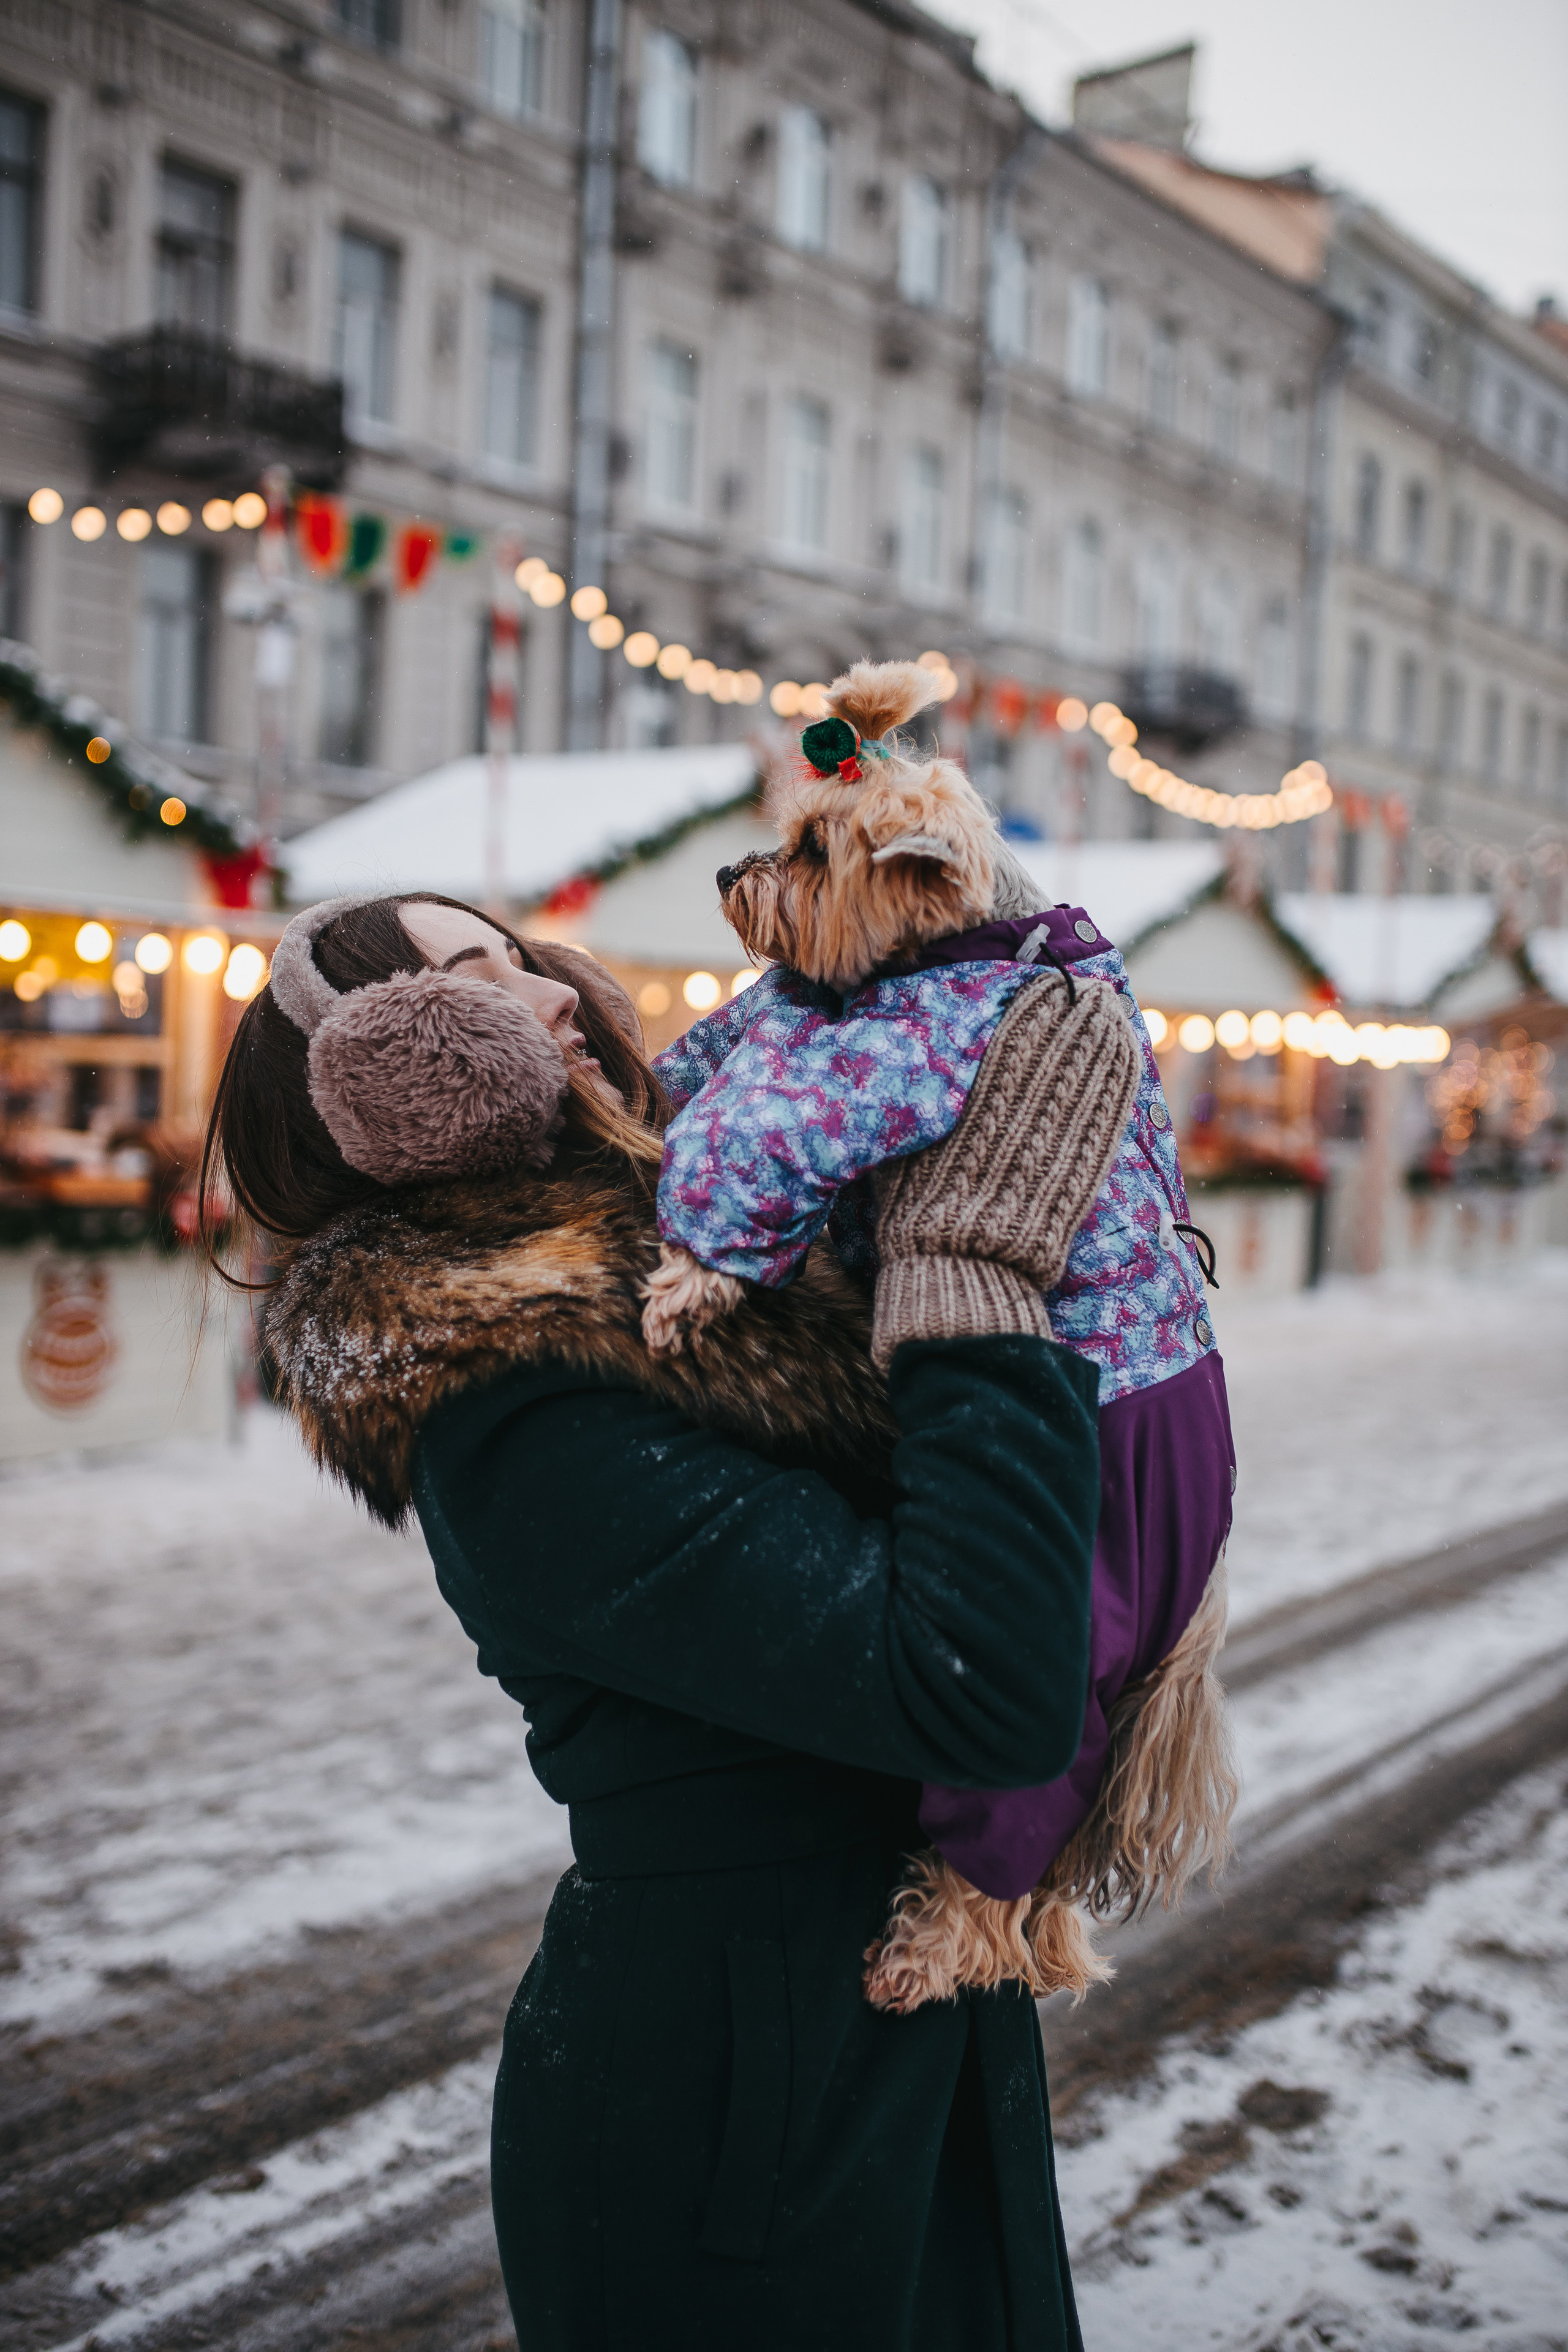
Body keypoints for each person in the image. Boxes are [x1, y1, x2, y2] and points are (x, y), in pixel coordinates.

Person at [203, 889, 1105, 2352]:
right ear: (392, 1075)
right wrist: (971, 1280)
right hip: (734, 2096)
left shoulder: (696, 1296)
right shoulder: (511, 1403)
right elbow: (976, 1685)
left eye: (531, 956)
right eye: (476, 983)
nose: (559, 993)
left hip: (865, 2020)